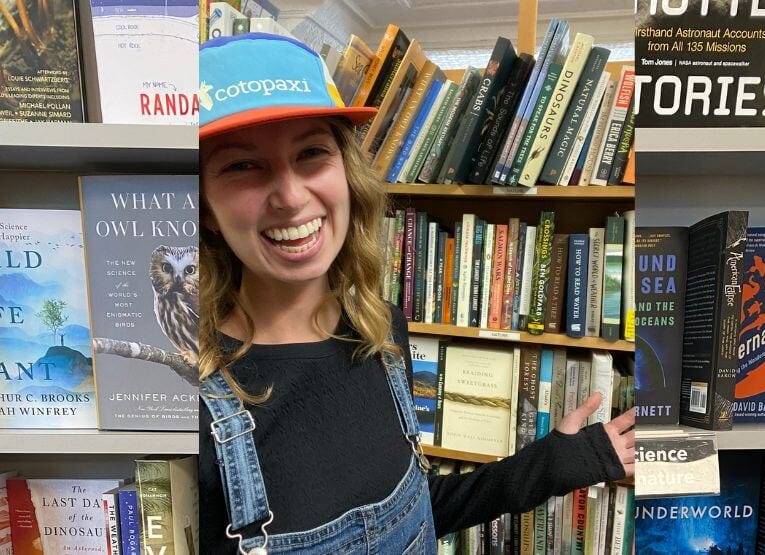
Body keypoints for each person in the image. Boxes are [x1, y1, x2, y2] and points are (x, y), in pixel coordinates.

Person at [198, 33, 635, 554]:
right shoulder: (186, 393)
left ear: (347, 174)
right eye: (242, 166)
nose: (291, 197)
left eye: (312, 152)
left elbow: (415, 508)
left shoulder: (381, 332)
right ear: (204, 206)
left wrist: (551, 465)